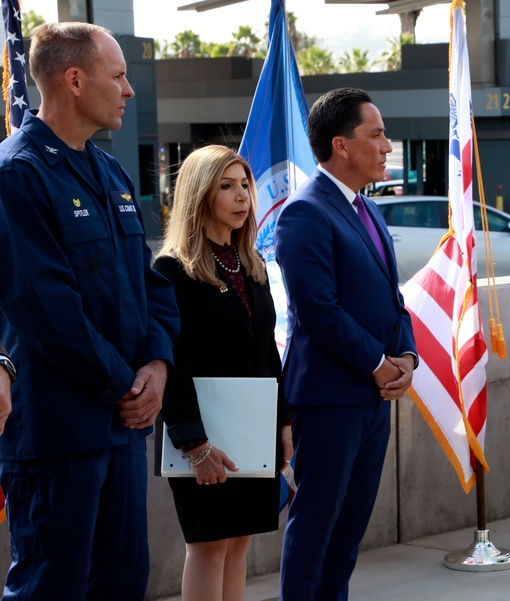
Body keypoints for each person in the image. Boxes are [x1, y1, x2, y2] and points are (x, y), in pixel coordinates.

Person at [0, 22, 181, 599]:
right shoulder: (17, 174)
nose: (129, 90)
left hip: (124, 429)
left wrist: (157, 366)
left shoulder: (111, 173)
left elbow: (149, 283)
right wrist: (125, 383)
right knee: (53, 586)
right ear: (74, 80)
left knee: (123, 581)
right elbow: (45, 309)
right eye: (120, 75)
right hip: (60, 434)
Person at [275, 87, 417, 601]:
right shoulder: (305, 212)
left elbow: (391, 297)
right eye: (375, 134)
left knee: (349, 535)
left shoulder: (369, 210)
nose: (387, 145)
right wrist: (378, 363)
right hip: (331, 399)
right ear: (341, 145)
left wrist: (407, 357)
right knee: (315, 529)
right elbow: (317, 308)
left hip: (373, 400)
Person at [154, 145, 294, 600]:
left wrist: (283, 422)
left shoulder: (251, 265)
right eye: (227, 186)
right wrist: (194, 443)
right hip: (203, 436)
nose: (242, 197)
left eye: (246, 186)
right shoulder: (173, 270)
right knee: (209, 546)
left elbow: (267, 353)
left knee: (239, 545)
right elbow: (172, 362)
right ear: (199, 195)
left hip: (253, 429)